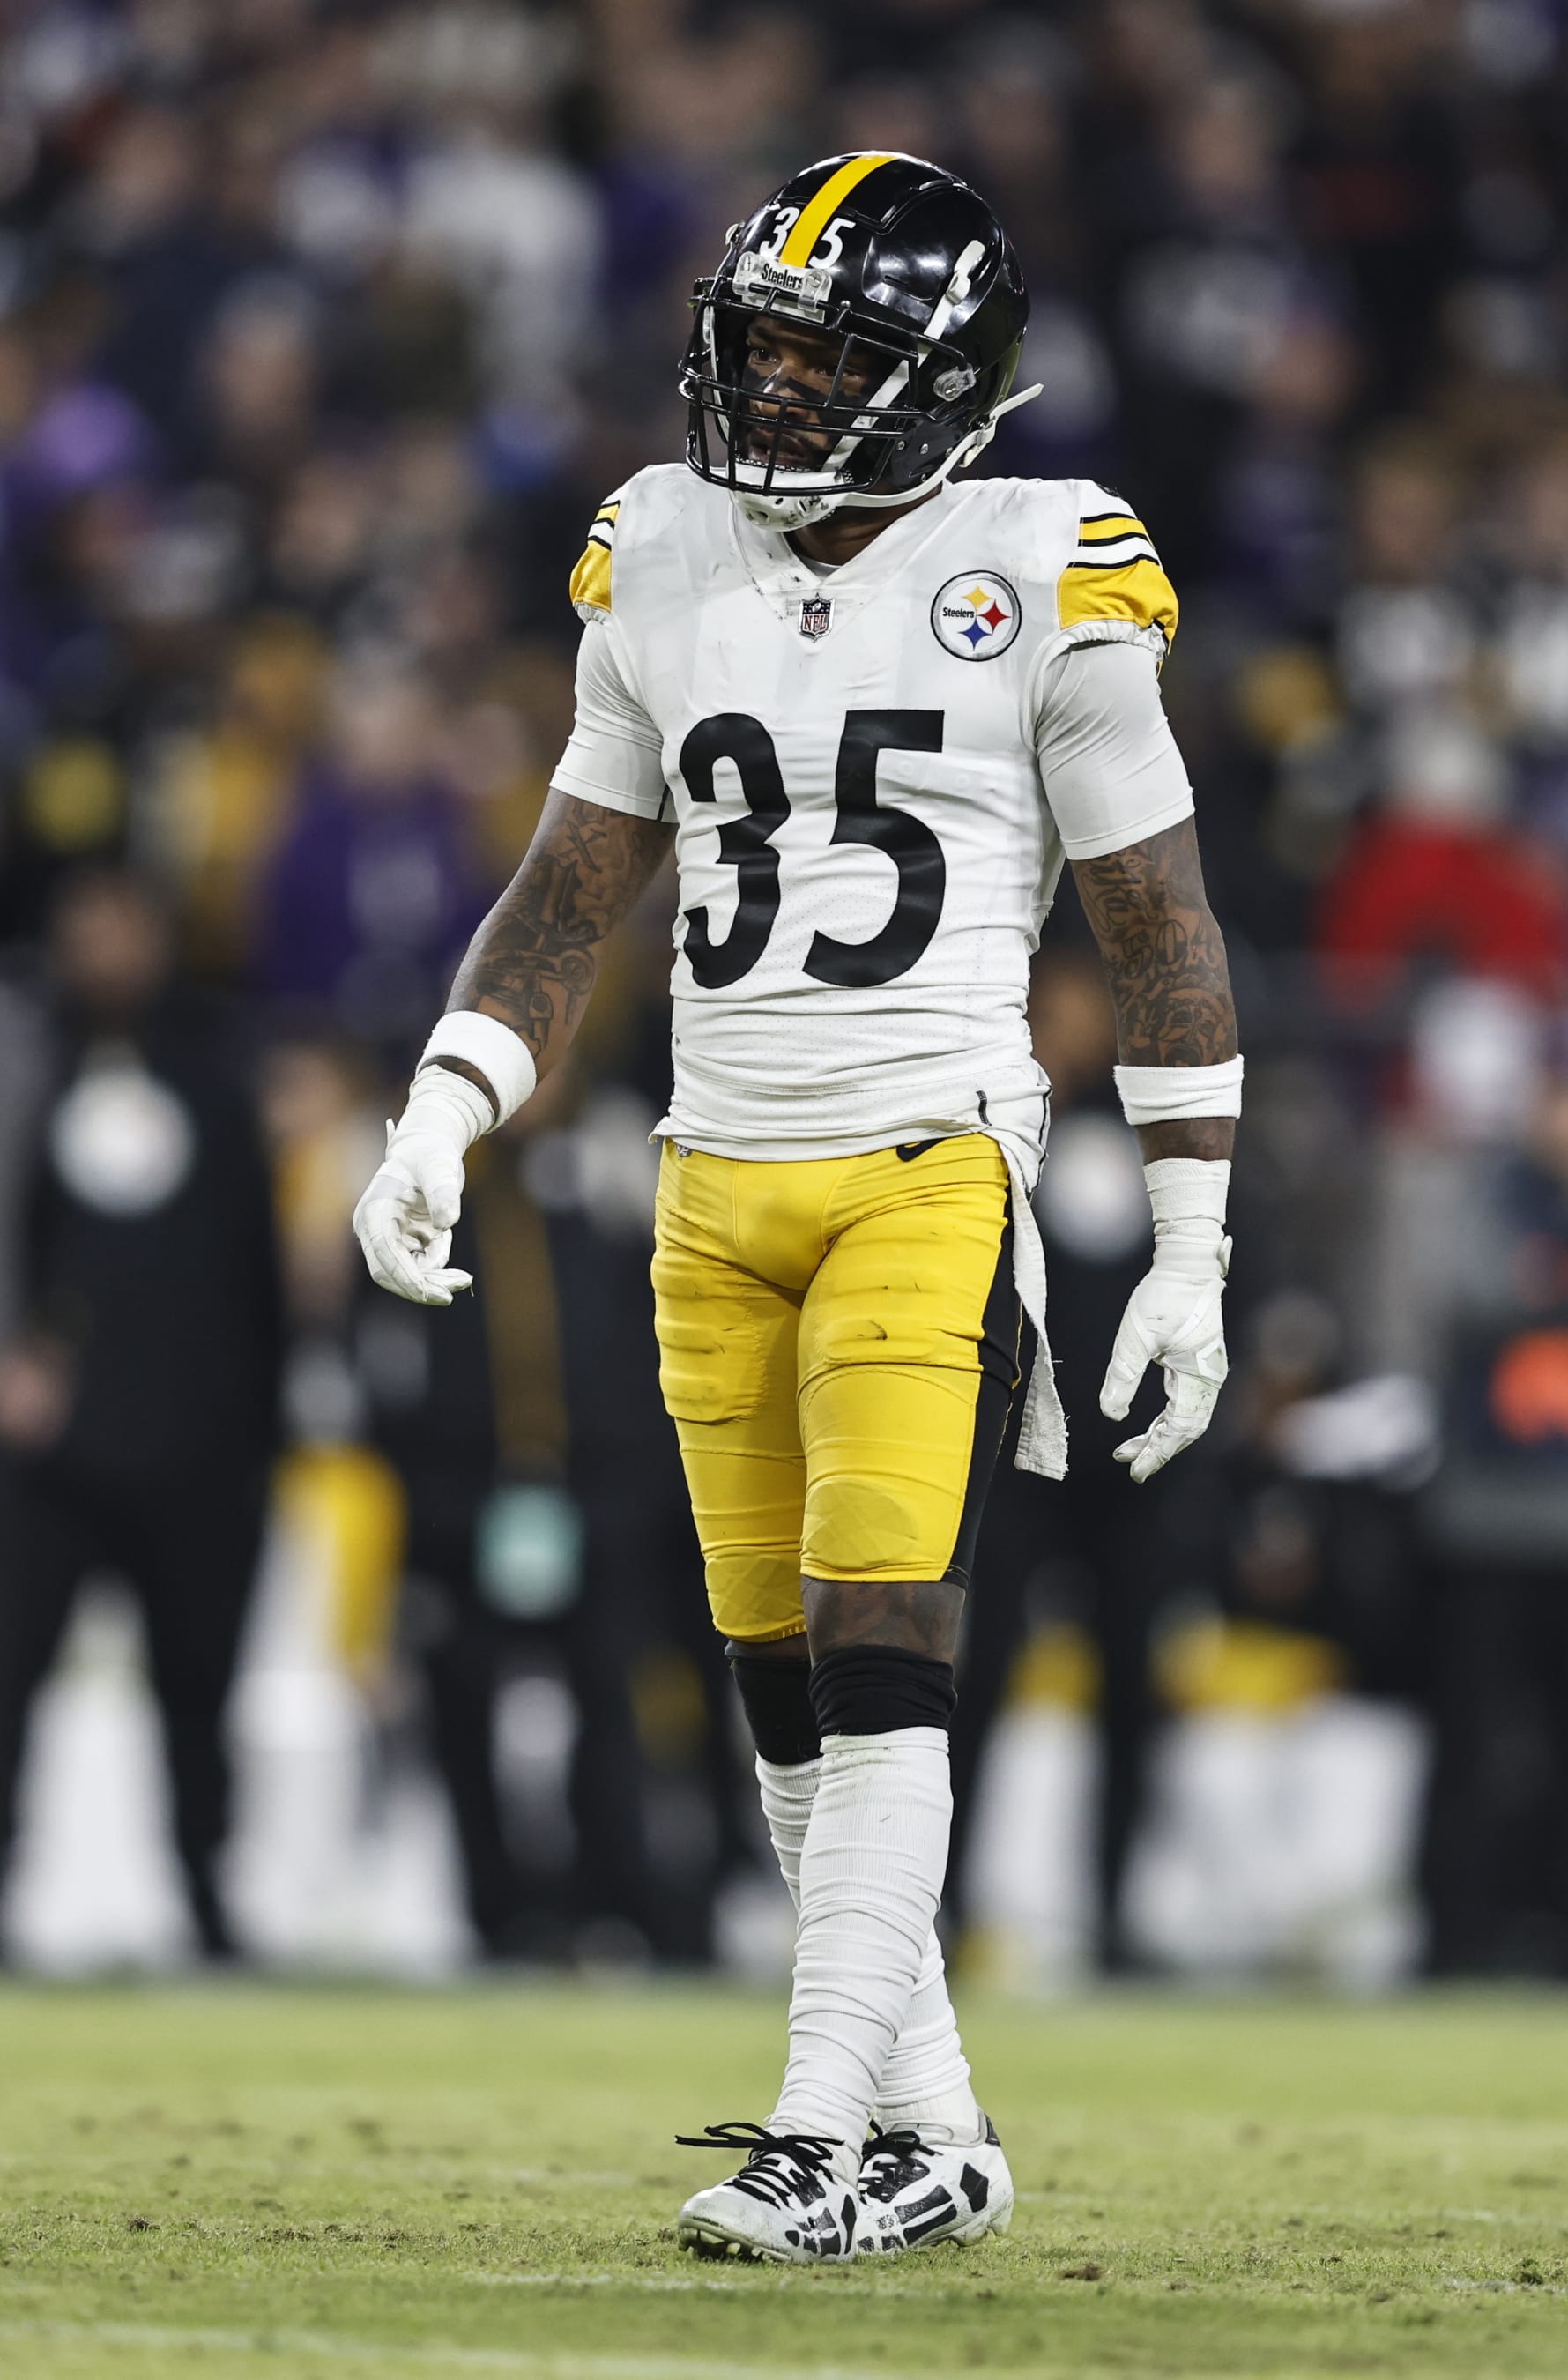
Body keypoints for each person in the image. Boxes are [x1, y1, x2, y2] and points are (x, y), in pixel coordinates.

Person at [354, 153, 1240, 2262]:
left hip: (928, 1157)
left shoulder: (1047, 564)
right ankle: (933, 2126)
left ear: (942, 378)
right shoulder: (660, 547)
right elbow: (569, 892)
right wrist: (438, 1107)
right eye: (761, 336)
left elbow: (1164, 927)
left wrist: (1193, 1244)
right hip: (708, 1177)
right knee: (776, 1685)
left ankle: (822, 2128)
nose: (775, 377)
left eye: (827, 349)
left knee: (884, 1643)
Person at [0, 869, 284, 1960]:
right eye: (88, 931)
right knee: (12, 1679)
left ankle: (207, 1904)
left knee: (201, 1693)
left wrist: (262, 1428)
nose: (107, 951)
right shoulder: (29, 1064)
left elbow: (253, 1267)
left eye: (127, 928)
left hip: (203, 1449)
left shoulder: (219, 1069)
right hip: (48, 1455)